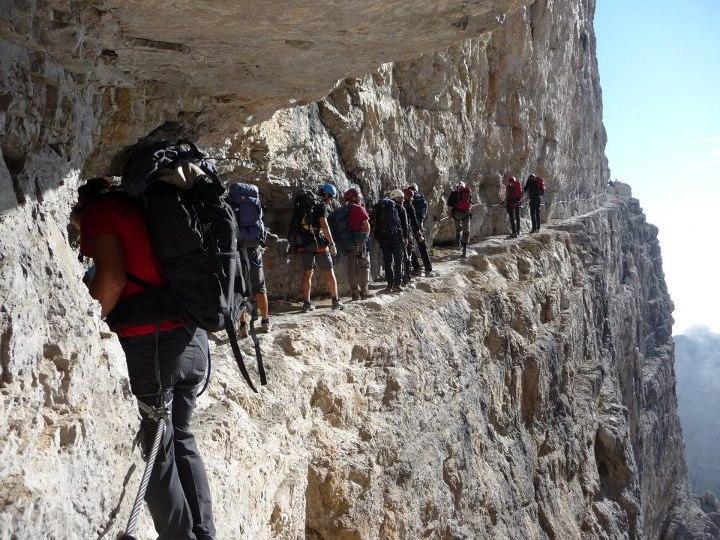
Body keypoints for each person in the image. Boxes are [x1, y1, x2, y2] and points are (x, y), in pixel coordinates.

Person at [75, 177, 216, 540]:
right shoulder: (147, 205)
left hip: (152, 345)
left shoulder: (100, 213)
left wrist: (85, 327)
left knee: (160, 447)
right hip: (193, 338)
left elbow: (112, 280)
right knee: (181, 435)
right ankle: (204, 532)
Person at [226, 182, 270, 335]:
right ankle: (265, 322)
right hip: (254, 245)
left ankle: (243, 325)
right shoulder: (254, 201)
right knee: (259, 285)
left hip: (238, 247)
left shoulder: (229, 202)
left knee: (240, 286)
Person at [293, 183, 344, 312]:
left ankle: (307, 303)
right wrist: (331, 243)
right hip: (319, 243)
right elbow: (324, 225)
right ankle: (335, 300)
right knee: (329, 271)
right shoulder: (321, 205)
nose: (331, 200)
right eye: (331, 197)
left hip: (304, 243)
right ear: (326, 194)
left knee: (307, 273)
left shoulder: (305, 204)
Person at [372, 190, 407, 292]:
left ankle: (389, 284)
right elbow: (404, 225)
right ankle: (397, 284)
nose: (403, 200)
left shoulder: (380, 207)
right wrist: (405, 238)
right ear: (397, 198)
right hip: (396, 238)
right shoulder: (400, 208)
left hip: (383, 238)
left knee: (387, 261)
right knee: (398, 261)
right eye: (401, 198)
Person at [343, 188, 373, 300]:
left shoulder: (345, 209)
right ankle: (364, 291)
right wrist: (365, 239)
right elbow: (367, 227)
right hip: (360, 239)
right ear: (354, 197)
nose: (360, 197)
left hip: (348, 241)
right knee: (364, 265)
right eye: (358, 195)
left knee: (351, 266)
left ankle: (354, 292)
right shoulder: (359, 208)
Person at [403, 187, 437, 277]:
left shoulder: (407, 202)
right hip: (418, 227)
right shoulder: (422, 199)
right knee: (423, 248)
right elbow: (423, 214)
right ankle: (428, 269)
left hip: (409, 228)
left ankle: (416, 267)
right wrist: (419, 229)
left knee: (409, 247)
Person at [446, 181, 473, 257]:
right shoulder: (468, 193)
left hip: (455, 214)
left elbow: (448, 204)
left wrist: (450, 213)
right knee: (466, 231)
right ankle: (464, 251)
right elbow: (470, 204)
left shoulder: (453, 193)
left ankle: (458, 242)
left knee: (458, 229)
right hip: (466, 214)